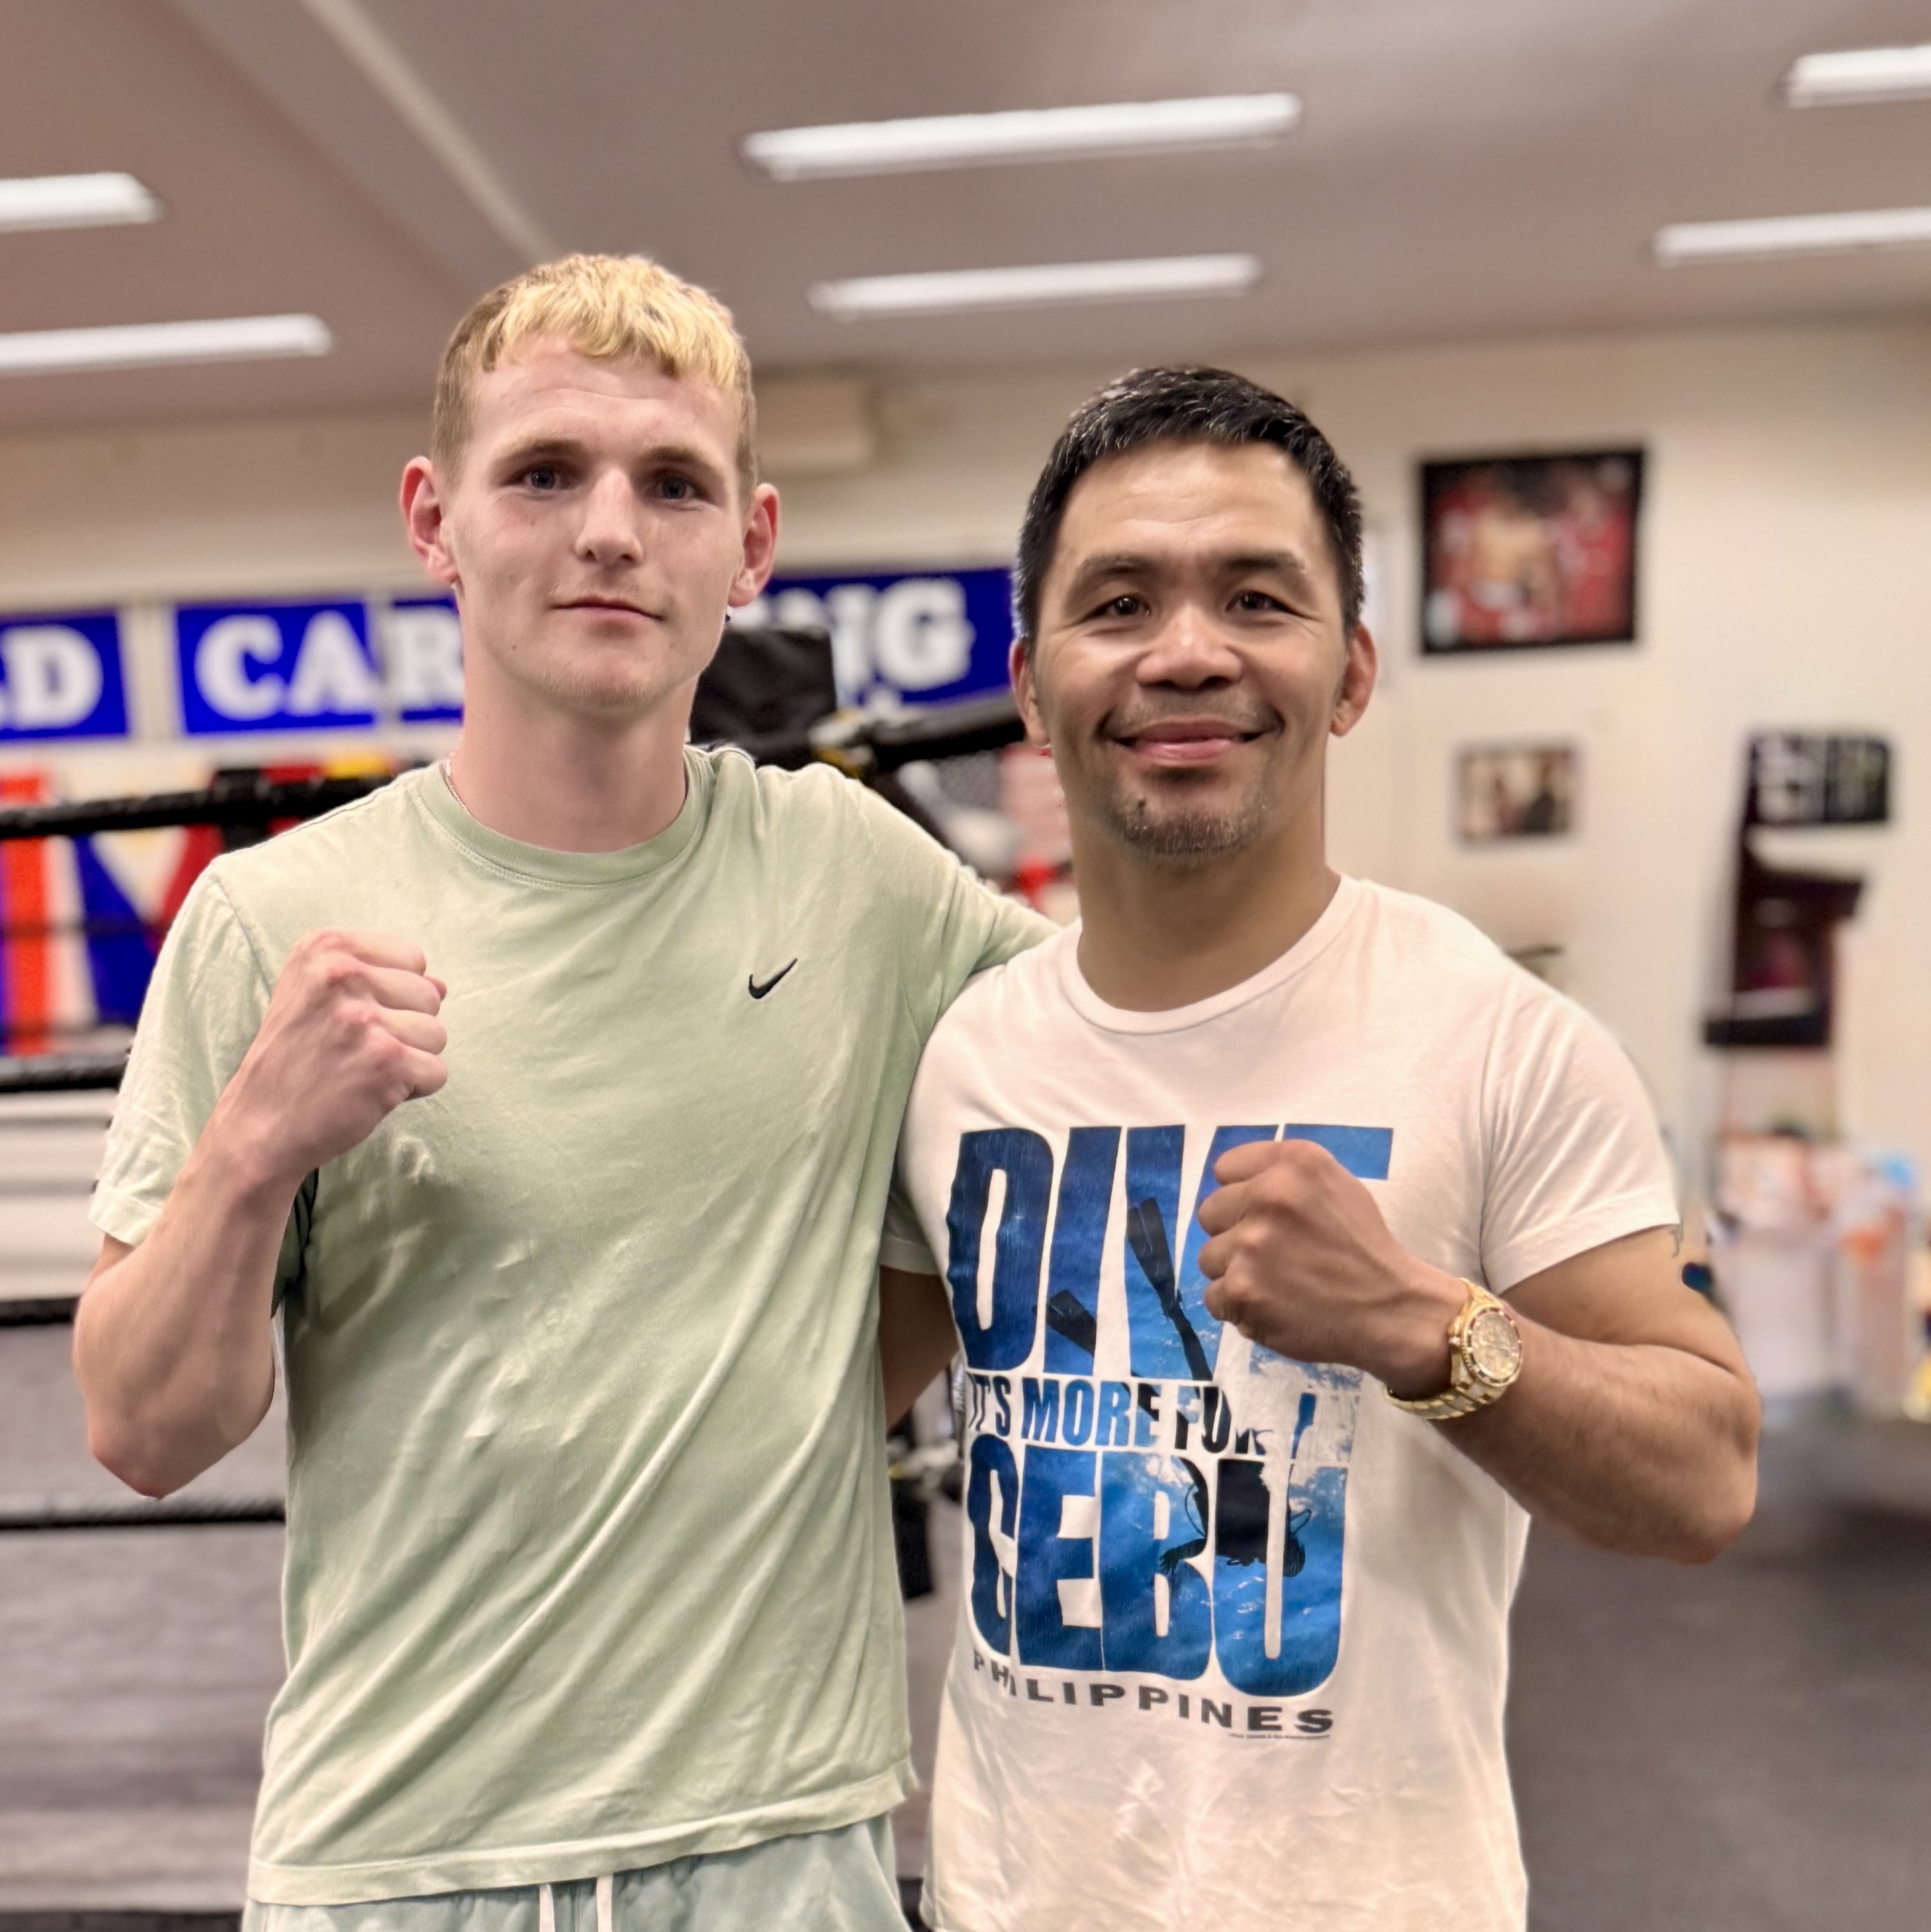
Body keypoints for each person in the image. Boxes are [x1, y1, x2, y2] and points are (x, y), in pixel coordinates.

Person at [73, 254, 1044, 1931]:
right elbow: (144, 1431)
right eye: (542, 473)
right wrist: (251, 1153)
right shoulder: (274, 919)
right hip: (403, 1861)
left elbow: (1129, 1041)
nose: (609, 531)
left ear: (751, 544)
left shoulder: (857, 877)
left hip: (782, 1847)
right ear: (434, 519)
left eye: (673, 483)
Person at [881, 367, 1760, 1931]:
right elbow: (804, 1415)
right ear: (1030, 682)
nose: (1187, 651)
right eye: (1120, 602)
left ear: (1350, 669)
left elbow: (1704, 1473)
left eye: (1257, 597)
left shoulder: (1500, 1040)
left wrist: (1429, 1329)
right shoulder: (962, 1056)